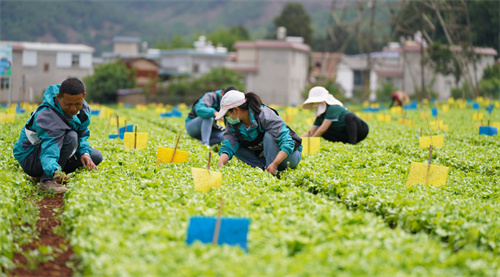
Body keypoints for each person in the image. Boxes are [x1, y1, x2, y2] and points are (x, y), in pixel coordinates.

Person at [13, 78, 102, 194]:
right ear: (59, 97)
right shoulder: (47, 116)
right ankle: (47, 181)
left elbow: (82, 133)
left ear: (83, 96)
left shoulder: (83, 109)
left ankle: (48, 171)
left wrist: (84, 153)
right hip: (31, 157)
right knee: (71, 137)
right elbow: (49, 150)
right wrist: (54, 171)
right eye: (68, 104)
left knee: (95, 157)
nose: (73, 108)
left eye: (77, 104)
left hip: (52, 151)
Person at [215, 90, 302, 175]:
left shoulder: (264, 114)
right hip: (264, 157)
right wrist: (221, 162)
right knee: (235, 145)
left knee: (269, 135)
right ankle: (263, 168)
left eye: (227, 114)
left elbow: (288, 142)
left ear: (236, 110)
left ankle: (271, 170)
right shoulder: (233, 123)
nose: (226, 118)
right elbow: (228, 144)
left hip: (288, 157)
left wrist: (274, 164)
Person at [302, 86, 368, 145]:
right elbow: (311, 132)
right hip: (345, 133)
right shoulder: (320, 116)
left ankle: (352, 143)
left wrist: (311, 141)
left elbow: (323, 128)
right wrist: (298, 140)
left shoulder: (332, 108)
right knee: (325, 133)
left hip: (360, 130)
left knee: (349, 117)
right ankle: (346, 144)